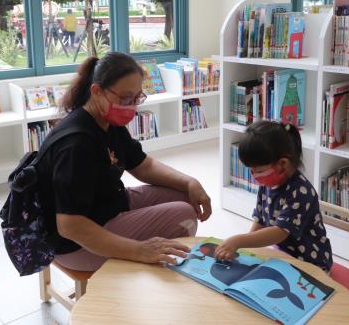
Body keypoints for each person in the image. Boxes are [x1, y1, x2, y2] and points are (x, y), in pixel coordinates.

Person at [36, 52, 212, 271]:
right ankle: (153, 277)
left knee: (187, 196)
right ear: (97, 91)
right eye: (126, 99)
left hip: (109, 206)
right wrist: (139, 250)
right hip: (75, 245)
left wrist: (189, 182)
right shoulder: (76, 144)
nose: (132, 106)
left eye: (137, 98)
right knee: (182, 214)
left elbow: (143, 166)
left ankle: (156, 263)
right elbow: (70, 226)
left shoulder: (107, 122)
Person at [214, 120, 333, 272]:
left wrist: (237, 241)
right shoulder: (268, 185)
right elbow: (261, 221)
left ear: (282, 164)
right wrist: (244, 249)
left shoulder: (301, 191)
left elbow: (279, 232)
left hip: (311, 263)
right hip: (283, 255)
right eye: (250, 170)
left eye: (258, 170)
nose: (254, 176)